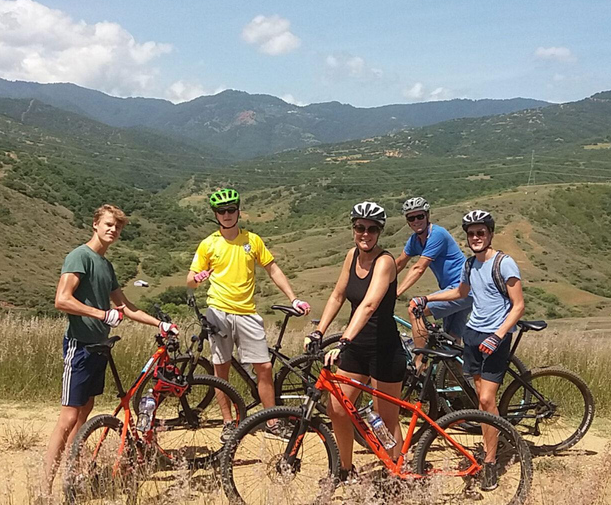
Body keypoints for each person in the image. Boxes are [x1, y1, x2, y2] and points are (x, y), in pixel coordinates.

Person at [41, 204, 178, 496]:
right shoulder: (80, 257)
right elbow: (62, 300)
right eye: (108, 224)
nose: (112, 230)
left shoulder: (105, 265)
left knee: (84, 413)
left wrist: (159, 324)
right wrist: (101, 315)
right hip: (79, 347)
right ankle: (44, 487)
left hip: (99, 349)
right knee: (67, 417)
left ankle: (72, 472)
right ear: (95, 224)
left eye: (117, 227)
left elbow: (125, 306)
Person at [187, 188, 310, 443]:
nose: (227, 214)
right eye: (222, 211)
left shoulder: (252, 240)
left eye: (232, 210)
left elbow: (272, 268)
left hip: (247, 312)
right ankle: (229, 423)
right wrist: (197, 279)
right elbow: (191, 279)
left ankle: (272, 421)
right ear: (215, 215)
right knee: (220, 371)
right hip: (218, 311)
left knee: (264, 368)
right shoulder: (208, 244)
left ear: (238, 211)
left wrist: (293, 298)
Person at [417, 209, 525, 491]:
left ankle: (490, 462)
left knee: (487, 401)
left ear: (490, 234)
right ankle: (496, 437)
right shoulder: (470, 264)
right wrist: (427, 297)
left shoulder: (504, 263)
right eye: (471, 234)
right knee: (480, 399)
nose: (476, 237)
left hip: (494, 337)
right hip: (472, 335)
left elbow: (519, 306)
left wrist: (499, 335)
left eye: (481, 233)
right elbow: (460, 293)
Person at [304, 201, 407, 484]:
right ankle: (345, 469)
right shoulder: (351, 256)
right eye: (360, 228)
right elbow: (338, 296)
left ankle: (394, 473)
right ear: (353, 230)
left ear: (380, 232)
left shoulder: (384, 262)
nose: (366, 234)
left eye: (372, 229)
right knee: (337, 409)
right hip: (357, 347)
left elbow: (369, 304)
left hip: (384, 350)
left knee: (385, 420)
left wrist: (344, 340)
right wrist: (319, 332)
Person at [396, 197, 472, 367]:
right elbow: (400, 262)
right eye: (411, 218)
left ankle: (419, 362)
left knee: (416, 308)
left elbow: (418, 268)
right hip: (457, 291)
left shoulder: (437, 234)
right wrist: (378, 280)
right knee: (451, 342)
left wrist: (396, 292)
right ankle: (455, 391)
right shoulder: (415, 241)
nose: (416, 221)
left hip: (461, 289)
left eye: (420, 216)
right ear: (407, 222)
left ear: (427, 215)